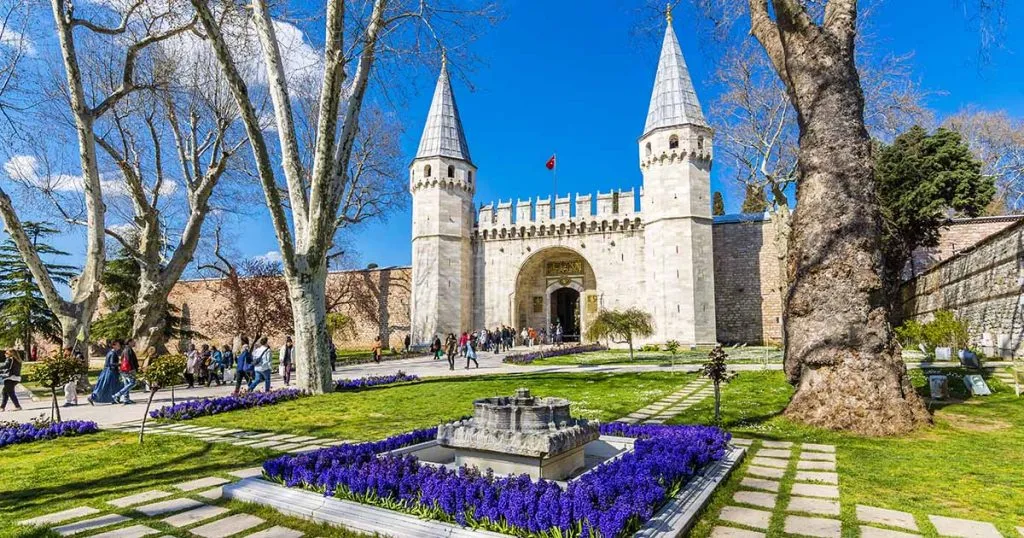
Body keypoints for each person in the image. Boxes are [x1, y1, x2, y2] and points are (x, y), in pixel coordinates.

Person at [88, 341, 123, 405]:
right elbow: (112, 363)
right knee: (106, 386)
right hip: (110, 372)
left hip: (108, 371)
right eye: (118, 345)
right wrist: (121, 364)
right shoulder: (113, 353)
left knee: (109, 386)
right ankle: (92, 397)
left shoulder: (110, 352)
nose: (119, 346)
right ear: (113, 346)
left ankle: (113, 399)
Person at [112, 339, 139, 405]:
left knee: (126, 384)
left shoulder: (126, 349)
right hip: (128, 370)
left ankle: (126, 399)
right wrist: (133, 369)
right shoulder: (128, 350)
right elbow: (128, 361)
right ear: (129, 342)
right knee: (133, 382)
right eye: (133, 342)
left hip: (124, 370)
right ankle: (117, 395)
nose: (134, 343)